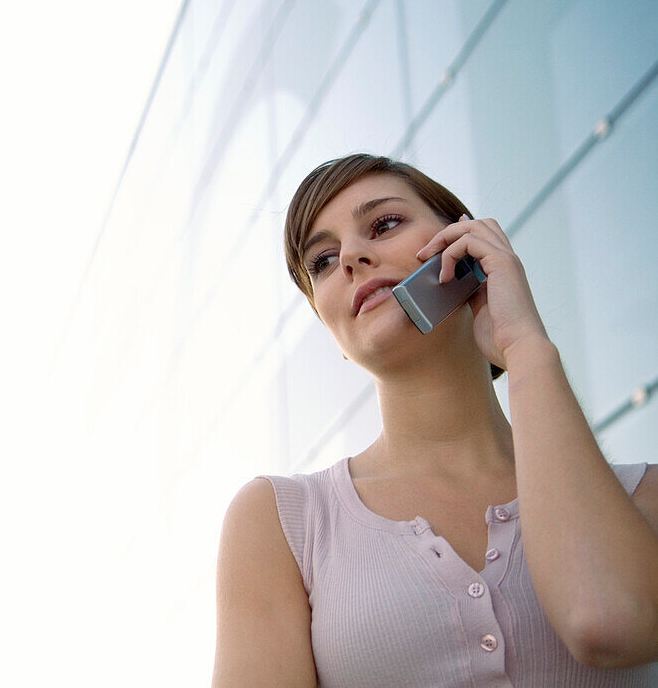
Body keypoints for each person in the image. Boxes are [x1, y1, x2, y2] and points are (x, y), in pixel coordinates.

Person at [212, 154, 658, 686]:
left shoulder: (643, 498)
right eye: (323, 262)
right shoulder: (283, 522)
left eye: (384, 224)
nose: (351, 255)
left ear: (467, 248)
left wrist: (526, 348)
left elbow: (608, 623)